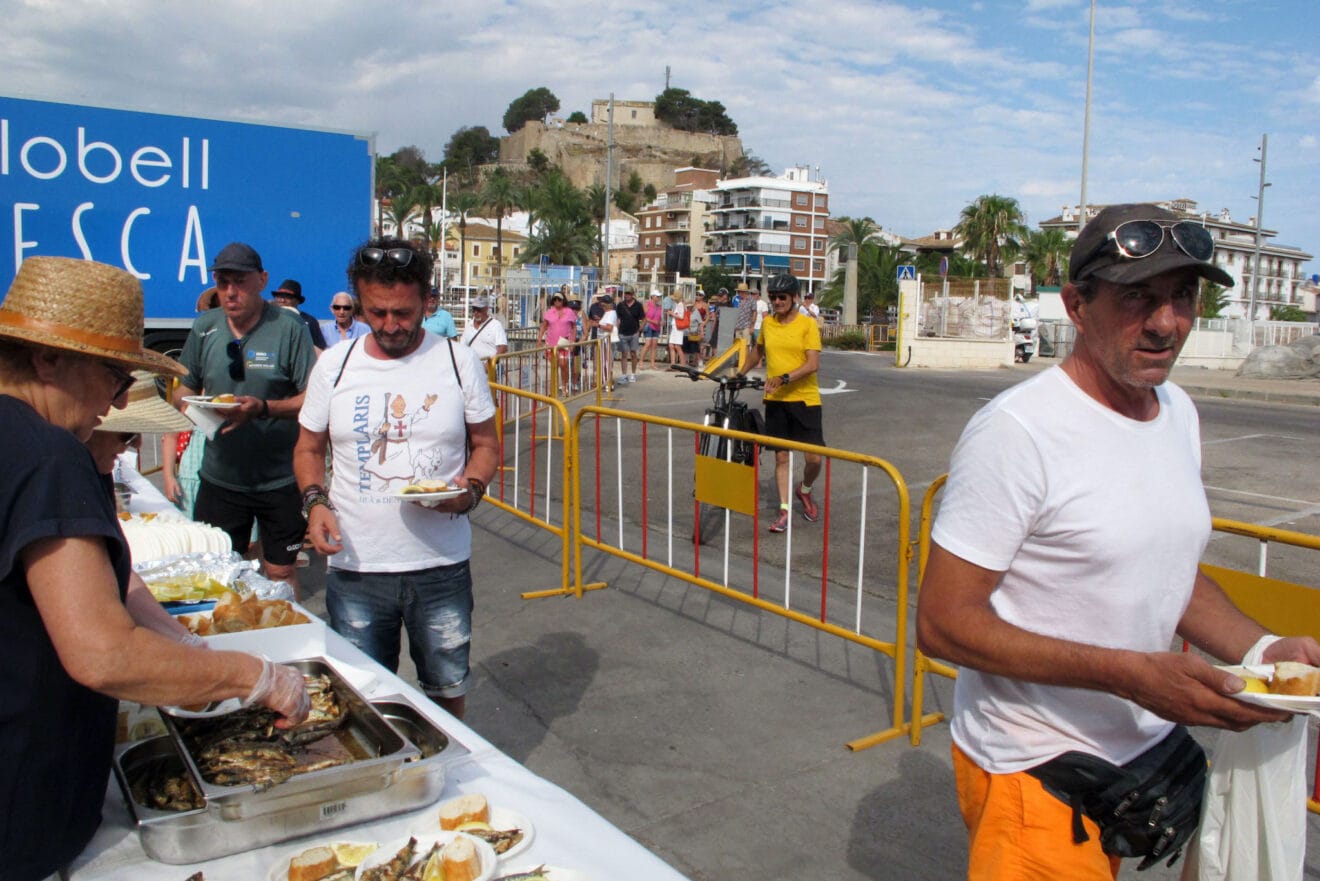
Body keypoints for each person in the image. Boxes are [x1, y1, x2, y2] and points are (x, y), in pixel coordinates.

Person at [915, 203, 1320, 880]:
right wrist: (1131, 674)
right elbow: (942, 623)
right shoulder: (1017, 432)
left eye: (1182, 296)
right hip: (1034, 771)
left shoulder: (1177, 412)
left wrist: (1262, 651)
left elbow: (1167, 573)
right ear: (1077, 306)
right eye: (1138, 297)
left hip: (1140, 757)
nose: (1166, 322)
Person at [0, 257, 308, 881]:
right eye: (114, 377)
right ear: (48, 360)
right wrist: (253, 676)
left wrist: (180, 645)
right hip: (21, 799)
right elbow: (103, 655)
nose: (117, 402)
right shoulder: (49, 456)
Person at [294, 237, 498, 719]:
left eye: (403, 313)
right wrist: (315, 503)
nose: (390, 325)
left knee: (447, 691)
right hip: (356, 566)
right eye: (376, 312)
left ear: (427, 301)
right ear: (359, 304)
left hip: (440, 565)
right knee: (363, 697)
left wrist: (468, 492)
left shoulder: (457, 360)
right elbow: (308, 448)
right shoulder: (335, 366)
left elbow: (486, 445)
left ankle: (448, 762)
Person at [174, 242, 317, 597]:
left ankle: (288, 631)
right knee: (220, 572)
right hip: (220, 479)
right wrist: (199, 408)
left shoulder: (289, 328)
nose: (230, 292)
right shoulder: (205, 327)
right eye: (223, 282)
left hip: (280, 479)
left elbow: (312, 399)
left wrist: (263, 408)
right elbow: (182, 387)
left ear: (262, 280)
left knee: (280, 571)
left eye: (240, 281)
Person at [738, 273, 822, 534]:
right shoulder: (768, 324)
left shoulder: (807, 325)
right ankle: (784, 510)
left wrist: (784, 378)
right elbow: (758, 352)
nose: (776, 302)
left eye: (781, 297)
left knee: (814, 459)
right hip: (776, 401)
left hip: (805, 400)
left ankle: (804, 490)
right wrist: (739, 374)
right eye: (773, 297)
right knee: (781, 457)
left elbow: (812, 364)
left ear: (794, 297)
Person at [271, 278, 328, 351]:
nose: (282, 300)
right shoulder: (269, 319)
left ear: (297, 300)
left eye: (288, 297)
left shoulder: (309, 322)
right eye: (279, 296)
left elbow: (320, 350)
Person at [540, 290, 577, 396]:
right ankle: (553, 389)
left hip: (564, 343)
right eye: (555, 299)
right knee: (554, 366)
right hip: (551, 343)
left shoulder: (569, 312)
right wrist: (539, 339)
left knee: (563, 365)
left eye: (559, 299)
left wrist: (573, 341)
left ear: (563, 300)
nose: (557, 301)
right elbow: (544, 326)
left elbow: (574, 327)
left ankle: (564, 386)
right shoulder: (549, 312)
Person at [459, 294, 509, 363]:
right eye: (474, 309)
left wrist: (490, 363)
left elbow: (503, 347)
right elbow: (462, 346)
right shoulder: (469, 325)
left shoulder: (495, 325)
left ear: (486, 309)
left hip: (490, 367)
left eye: (479, 310)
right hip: (472, 366)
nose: (476, 312)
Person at [613, 287, 645, 383]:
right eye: (626, 293)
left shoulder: (638, 305)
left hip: (634, 333)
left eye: (629, 293)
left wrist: (640, 330)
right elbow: (618, 319)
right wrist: (616, 331)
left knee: (633, 354)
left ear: (632, 294)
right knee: (624, 354)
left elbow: (644, 319)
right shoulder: (620, 305)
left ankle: (633, 374)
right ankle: (624, 375)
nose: (627, 295)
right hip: (622, 333)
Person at [642, 290, 665, 369]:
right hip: (649, 326)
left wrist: (662, 321)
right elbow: (645, 317)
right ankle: (641, 361)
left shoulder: (659, 307)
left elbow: (660, 317)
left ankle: (652, 363)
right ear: (652, 296)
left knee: (654, 346)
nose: (659, 298)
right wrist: (653, 321)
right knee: (648, 344)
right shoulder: (647, 304)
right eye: (657, 296)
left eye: (659, 296)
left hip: (656, 327)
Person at [667, 295, 689, 368]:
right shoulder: (679, 304)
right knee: (671, 345)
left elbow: (681, 317)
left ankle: (682, 364)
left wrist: (672, 313)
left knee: (677, 346)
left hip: (678, 328)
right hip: (675, 327)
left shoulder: (680, 304)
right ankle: (673, 364)